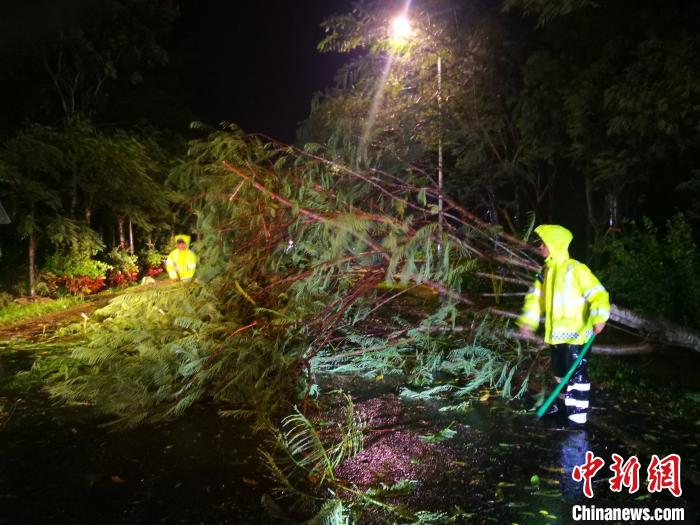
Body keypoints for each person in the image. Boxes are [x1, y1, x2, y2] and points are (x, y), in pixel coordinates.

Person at [517, 225, 610, 426]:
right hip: (557, 334)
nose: (541, 247)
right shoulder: (545, 272)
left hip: (577, 335)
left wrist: (599, 317)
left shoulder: (576, 269)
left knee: (576, 375)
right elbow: (535, 299)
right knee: (560, 372)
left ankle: (577, 416)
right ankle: (566, 407)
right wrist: (528, 321)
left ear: (555, 245)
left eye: (544, 243)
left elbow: (598, 294)